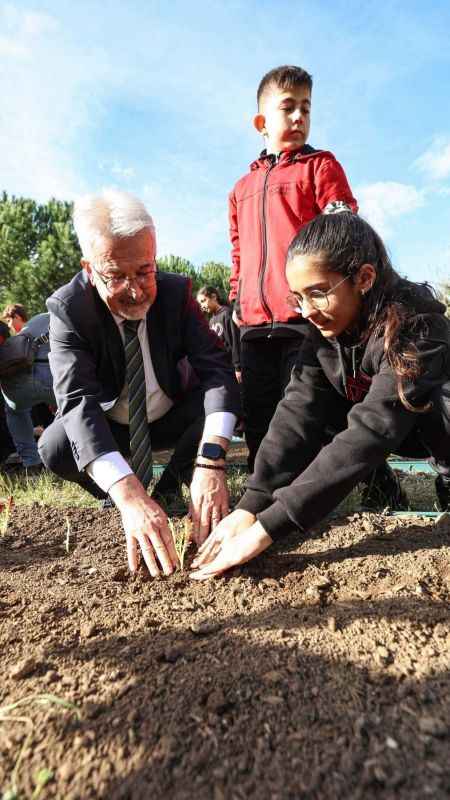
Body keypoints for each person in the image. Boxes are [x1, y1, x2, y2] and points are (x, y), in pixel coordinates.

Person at [191, 213, 450, 579]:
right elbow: (297, 414)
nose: (308, 311)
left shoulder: (419, 326)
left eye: (318, 292)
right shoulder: (323, 332)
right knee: (320, 408)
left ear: (364, 278)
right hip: (387, 427)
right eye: (298, 298)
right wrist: (251, 506)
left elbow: (375, 429)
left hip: (428, 424)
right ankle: (382, 488)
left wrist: (269, 528)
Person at [39, 189, 241, 577]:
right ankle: (124, 498)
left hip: (171, 415)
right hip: (114, 423)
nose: (135, 290)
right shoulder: (69, 309)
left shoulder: (176, 293)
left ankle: (171, 488)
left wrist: (211, 460)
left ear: (155, 255)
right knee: (55, 444)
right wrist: (128, 494)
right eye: (115, 275)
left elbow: (217, 369)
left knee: (221, 399)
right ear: (88, 268)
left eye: (145, 271)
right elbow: (77, 402)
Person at [228, 65, 358, 472]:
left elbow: (343, 228)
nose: (300, 116)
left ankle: (370, 482)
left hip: (303, 317)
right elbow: (238, 252)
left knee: (306, 412)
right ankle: (260, 489)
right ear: (262, 122)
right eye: (289, 107)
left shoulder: (320, 166)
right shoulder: (240, 190)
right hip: (252, 326)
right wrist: (236, 296)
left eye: (307, 107)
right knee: (260, 414)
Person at [1, 313, 55, 475]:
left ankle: (31, 463)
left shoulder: (34, 324)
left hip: (14, 387)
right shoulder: (44, 319)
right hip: (55, 377)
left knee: (15, 412)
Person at [196, 285, 241, 381]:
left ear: (214, 297)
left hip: (233, 369)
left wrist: (238, 367)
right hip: (222, 369)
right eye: (200, 304)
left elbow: (235, 341)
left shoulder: (227, 314)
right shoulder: (211, 320)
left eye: (203, 301)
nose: (202, 306)